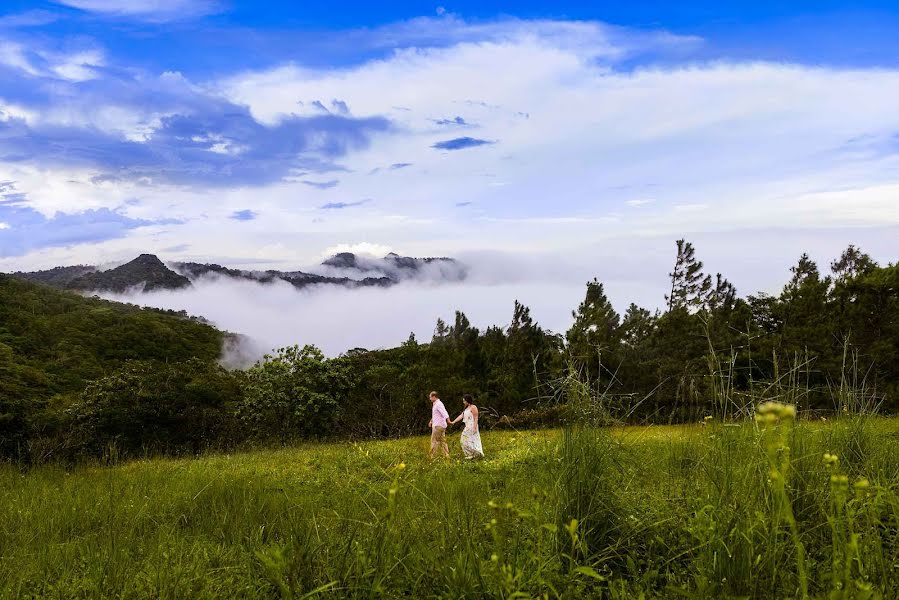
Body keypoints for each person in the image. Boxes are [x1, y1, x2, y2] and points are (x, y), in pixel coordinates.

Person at [449, 394, 484, 459]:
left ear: (467, 400)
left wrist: (474, 427)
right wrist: (453, 421)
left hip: (472, 425)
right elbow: (461, 416)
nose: (463, 402)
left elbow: (476, 418)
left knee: (472, 440)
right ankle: (470, 454)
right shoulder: (466, 409)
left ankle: (476, 453)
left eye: (464, 401)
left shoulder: (473, 407)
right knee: (463, 440)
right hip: (467, 426)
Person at [428, 391, 450, 459]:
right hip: (439, 424)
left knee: (434, 441)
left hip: (438, 425)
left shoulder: (439, 404)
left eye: (430, 397)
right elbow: (436, 414)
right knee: (443, 441)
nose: (430, 399)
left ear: (434, 397)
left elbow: (444, 413)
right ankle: (447, 455)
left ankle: (433, 456)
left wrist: (448, 420)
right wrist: (431, 421)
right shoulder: (435, 404)